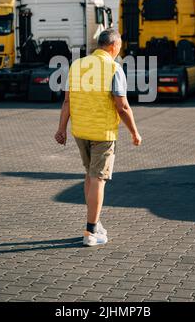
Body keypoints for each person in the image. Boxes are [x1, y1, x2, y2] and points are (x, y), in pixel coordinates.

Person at [55, 28, 141, 247]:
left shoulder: (77, 66)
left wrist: (61, 129)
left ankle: (95, 222)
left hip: (80, 131)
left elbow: (67, 101)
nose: (119, 51)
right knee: (98, 179)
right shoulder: (114, 68)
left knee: (90, 175)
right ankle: (91, 232)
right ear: (113, 46)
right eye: (119, 47)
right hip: (103, 133)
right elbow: (122, 106)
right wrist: (134, 132)